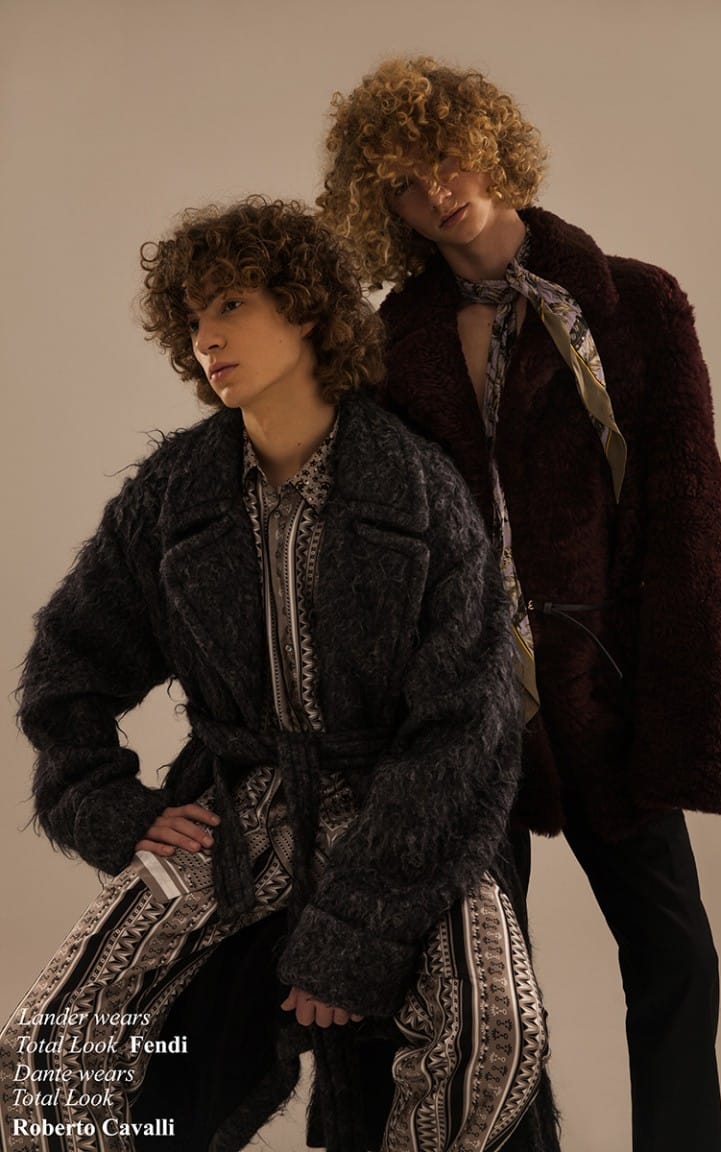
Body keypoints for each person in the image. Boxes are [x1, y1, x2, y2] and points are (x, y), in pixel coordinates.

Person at [0, 197, 560, 1152]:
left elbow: (467, 729)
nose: (206, 338)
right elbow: (66, 672)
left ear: (305, 310)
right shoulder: (175, 493)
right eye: (193, 320)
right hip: (239, 809)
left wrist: (357, 929)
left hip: (403, 815)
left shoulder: (418, 490)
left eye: (231, 305)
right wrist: (107, 804)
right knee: (54, 1050)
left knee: (490, 1038)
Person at [318, 56, 721, 1152]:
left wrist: (679, 716)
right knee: (483, 982)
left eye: (444, 156)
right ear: (385, 208)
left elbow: (686, 525)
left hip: (603, 693)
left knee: (676, 955)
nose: (436, 190)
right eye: (402, 182)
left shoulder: (635, 305)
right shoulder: (391, 345)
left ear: (491, 145)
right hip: (467, 710)